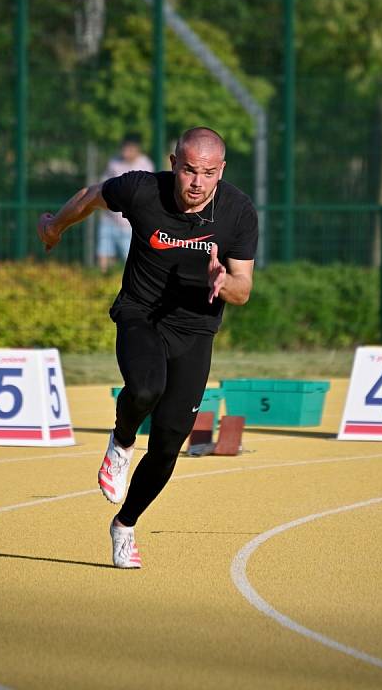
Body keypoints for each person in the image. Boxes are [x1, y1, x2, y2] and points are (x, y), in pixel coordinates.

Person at [37, 127, 258, 569]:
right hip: (141, 313)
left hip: (196, 329)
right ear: (174, 164)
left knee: (168, 442)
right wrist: (55, 226)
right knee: (144, 389)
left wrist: (224, 282)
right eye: (190, 170)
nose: (198, 182)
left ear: (222, 172)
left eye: (209, 173)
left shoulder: (237, 211)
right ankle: (120, 443)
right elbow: (92, 195)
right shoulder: (142, 190)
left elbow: (244, 288)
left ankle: (125, 525)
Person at [96, 134, 154, 273]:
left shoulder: (145, 164)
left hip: (129, 224)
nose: (125, 152)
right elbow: (103, 186)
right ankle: (102, 279)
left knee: (130, 258)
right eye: (124, 148)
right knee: (103, 253)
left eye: (129, 149)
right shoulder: (114, 163)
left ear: (136, 149)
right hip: (110, 218)